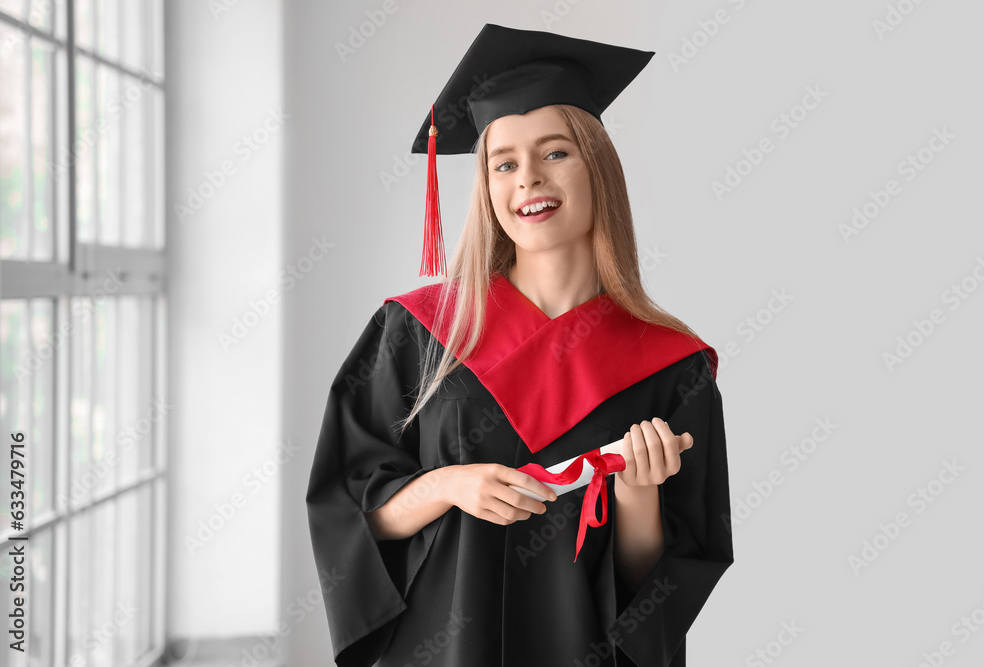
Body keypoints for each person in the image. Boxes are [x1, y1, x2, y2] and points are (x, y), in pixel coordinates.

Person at [306, 23, 733, 667]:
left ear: (597, 168)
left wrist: (638, 497)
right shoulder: (417, 332)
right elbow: (349, 516)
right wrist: (448, 486)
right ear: (487, 188)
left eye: (556, 152)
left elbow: (661, 589)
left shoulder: (673, 366)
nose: (528, 178)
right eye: (504, 163)